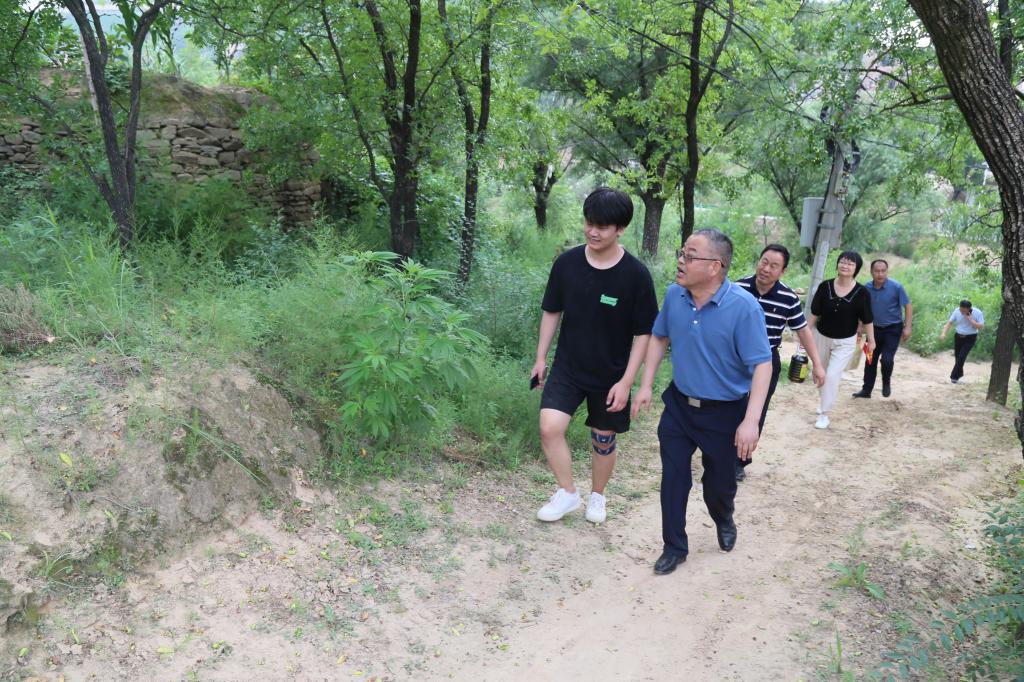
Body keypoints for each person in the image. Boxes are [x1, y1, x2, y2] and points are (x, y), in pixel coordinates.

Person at [632, 229, 772, 575]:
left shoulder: (743, 308)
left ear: (714, 266)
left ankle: (724, 517)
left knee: (718, 486)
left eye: (690, 256)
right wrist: (646, 385)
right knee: (674, 477)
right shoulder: (674, 295)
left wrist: (750, 421)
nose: (681, 260)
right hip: (679, 406)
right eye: (682, 253)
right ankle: (674, 547)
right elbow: (659, 337)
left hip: (724, 413)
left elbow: (762, 365)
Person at [531, 187, 659, 525]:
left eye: (602, 226)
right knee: (549, 428)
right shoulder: (567, 264)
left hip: (611, 374)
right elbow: (552, 310)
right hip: (568, 367)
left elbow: (644, 333)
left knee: (603, 440)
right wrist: (541, 358)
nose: (593, 231)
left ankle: (598, 495)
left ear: (620, 229)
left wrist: (627, 381)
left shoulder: (635, 275)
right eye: (589, 222)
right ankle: (567, 492)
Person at [734, 244, 825, 481]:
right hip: (734, 359)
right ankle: (722, 454)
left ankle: (740, 462)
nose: (766, 269)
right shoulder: (737, 288)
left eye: (774, 266)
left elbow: (803, 331)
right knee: (730, 407)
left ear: (782, 271)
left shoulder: (788, 298)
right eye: (764, 262)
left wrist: (817, 364)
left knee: (756, 411)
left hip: (766, 361)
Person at [808, 251, 876, 429]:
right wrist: (805, 334)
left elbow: (868, 319)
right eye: (843, 262)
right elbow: (814, 312)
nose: (845, 266)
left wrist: (871, 340)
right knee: (820, 374)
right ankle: (823, 400)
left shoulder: (862, 292)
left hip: (845, 342)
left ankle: (824, 414)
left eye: (850, 264)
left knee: (831, 376)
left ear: (856, 269)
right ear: (837, 264)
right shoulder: (825, 286)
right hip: (821, 337)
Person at [852, 259, 912, 399]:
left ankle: (886, 382)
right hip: (872, 330)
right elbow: (862, 309)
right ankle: (866, 390)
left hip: (893, 329)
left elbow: (908, 306)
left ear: (887, 271)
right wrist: (859, 326)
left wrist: (908, 327)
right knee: (870, 360)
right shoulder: (866, 288)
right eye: (877, 271)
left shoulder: (896, 287)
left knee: (887, 360)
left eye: (883, 271)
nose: (880, 274)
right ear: (871, 272)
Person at [940, 300, 985, 383]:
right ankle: (959, 374)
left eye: (964, 311)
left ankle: (954, 377)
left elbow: (981, 326)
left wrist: (970, 319)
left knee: (962, 357)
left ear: (969, 309)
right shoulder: (957, 311)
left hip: (970, 337)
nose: (962, 312)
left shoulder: (978, 313)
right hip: (958, 337)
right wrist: (943, 333)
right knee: (958, 358)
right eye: (961, 310)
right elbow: (949, 322)